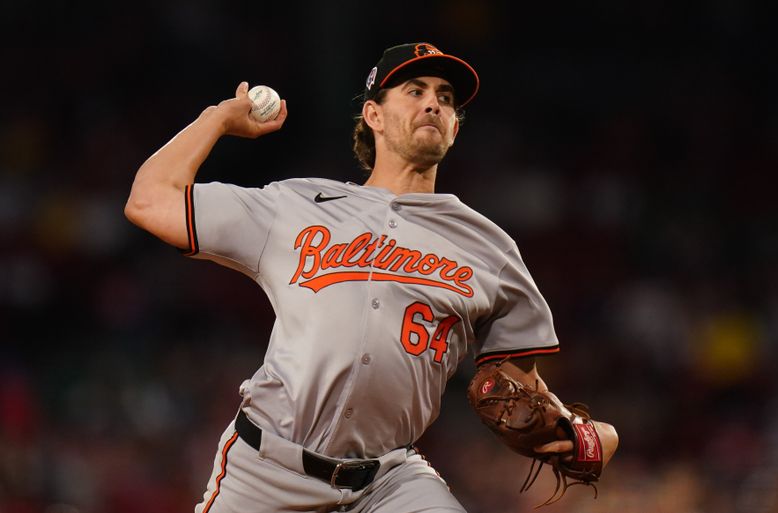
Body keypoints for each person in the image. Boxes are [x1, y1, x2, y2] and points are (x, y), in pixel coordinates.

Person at [125, 42, 618, 513]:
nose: (433, 104)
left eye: (445, 99)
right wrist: (216, 119)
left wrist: (583, 431)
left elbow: (518, 387)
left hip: (389, 482)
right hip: (267, 470)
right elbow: (149, 201)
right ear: (374, 116)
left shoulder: (489, 248)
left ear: (454, 128)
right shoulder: (295, 206)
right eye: (415, 91)